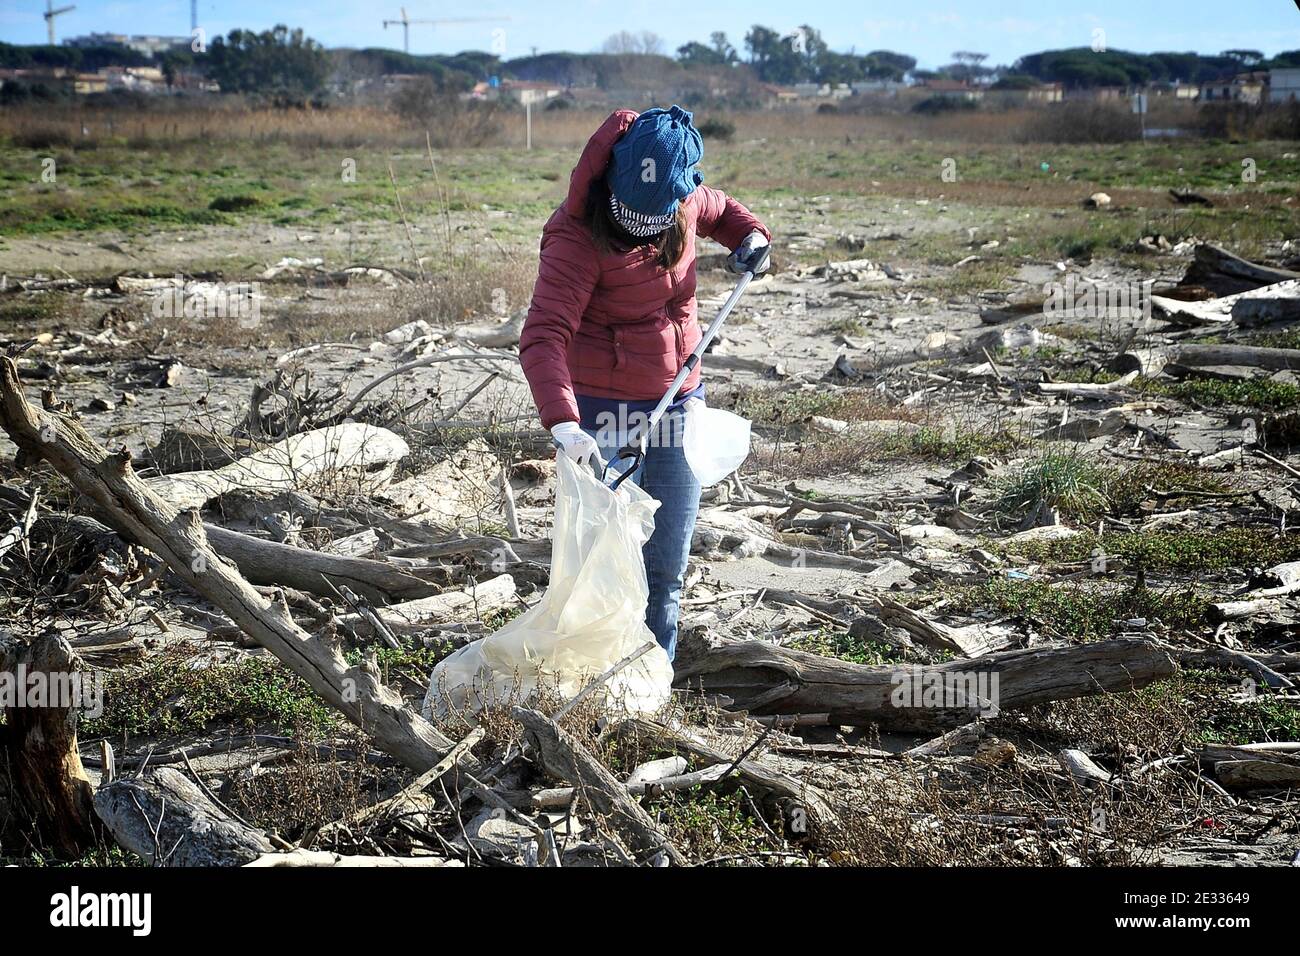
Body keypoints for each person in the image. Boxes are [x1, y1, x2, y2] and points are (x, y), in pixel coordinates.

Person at [519, 105, 771, 662]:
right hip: (597, 411)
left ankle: (652, 681)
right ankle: (586, 675)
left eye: (657, 216)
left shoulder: (682, 199)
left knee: (666, 565)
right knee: (596, 563)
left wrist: (750, 237)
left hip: (678, 398)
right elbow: (543, 337)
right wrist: (566, 425)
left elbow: (722, 209)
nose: (646, 227)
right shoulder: (576, 235)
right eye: (632, 214)